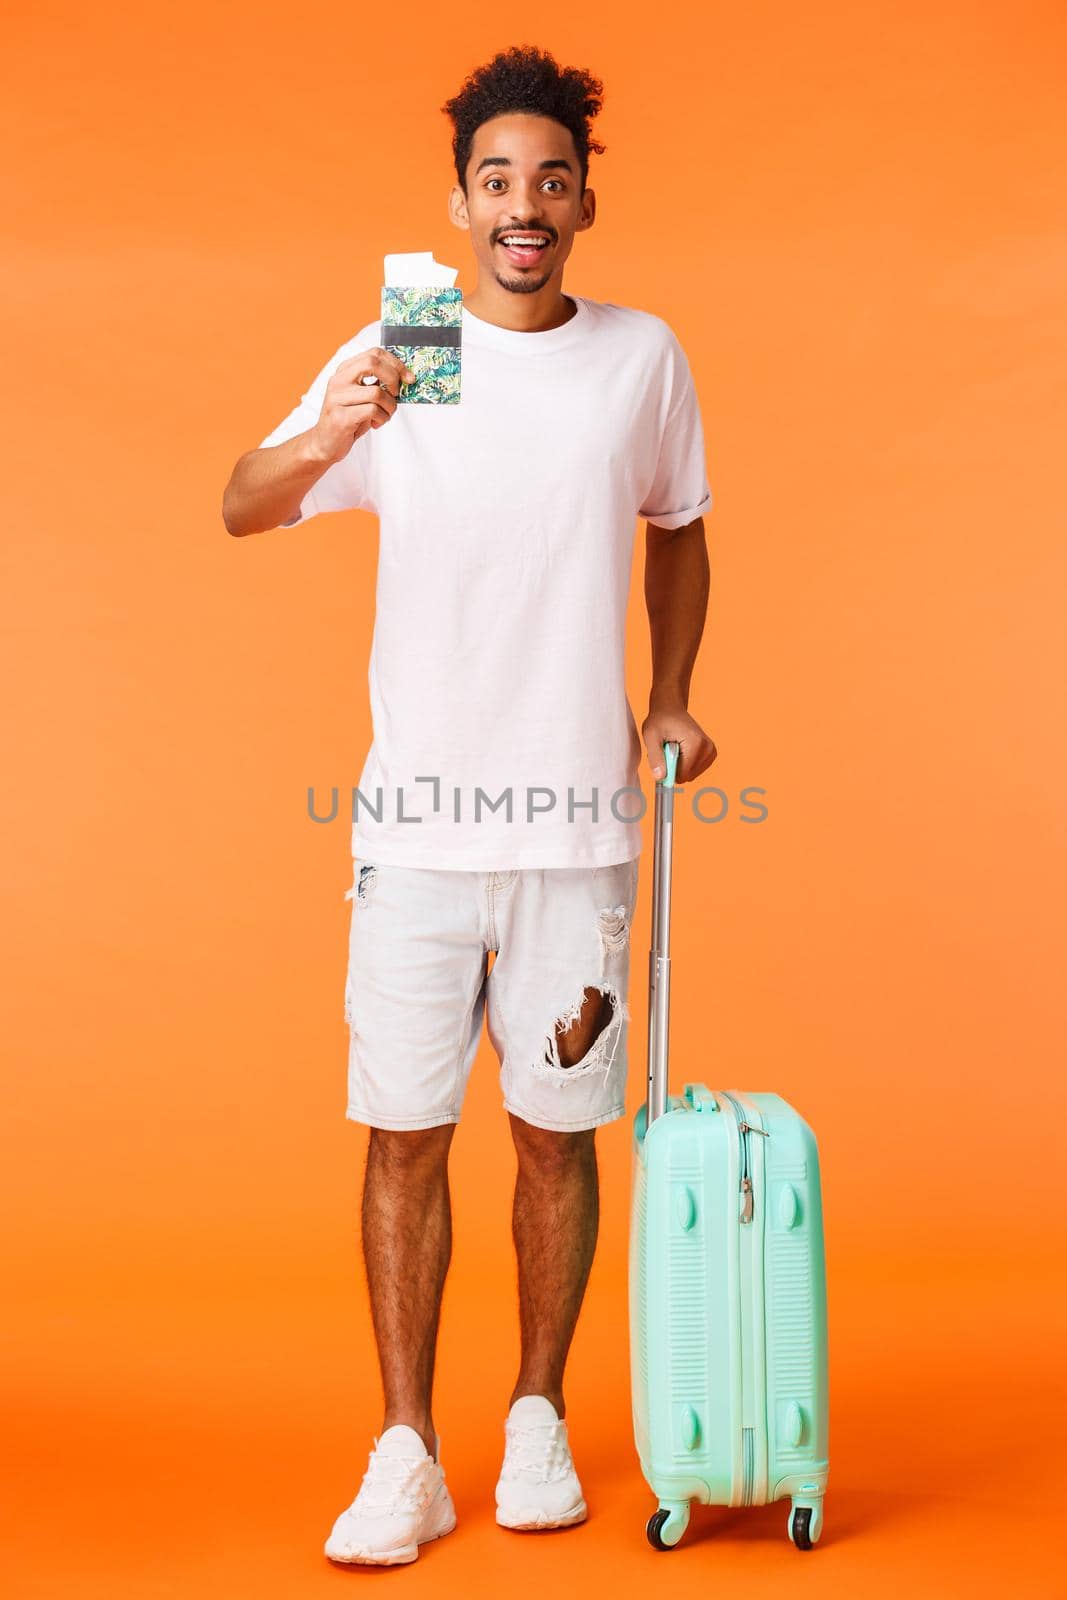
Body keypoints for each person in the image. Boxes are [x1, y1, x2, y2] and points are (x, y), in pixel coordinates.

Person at [222, 43, 717, 1568]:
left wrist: (674, 699)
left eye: (549, 180)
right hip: (417, 833)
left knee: (559, 1135)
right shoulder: (407, 342)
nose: (523, 204)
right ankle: (407, 1452)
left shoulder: (639, 358)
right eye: (496, 180)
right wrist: (335, 429)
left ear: (581, 202)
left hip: (577, 834)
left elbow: (681, 534)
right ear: (460, 202)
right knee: (405, 1136)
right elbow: (242, 499)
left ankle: (536, 1421)